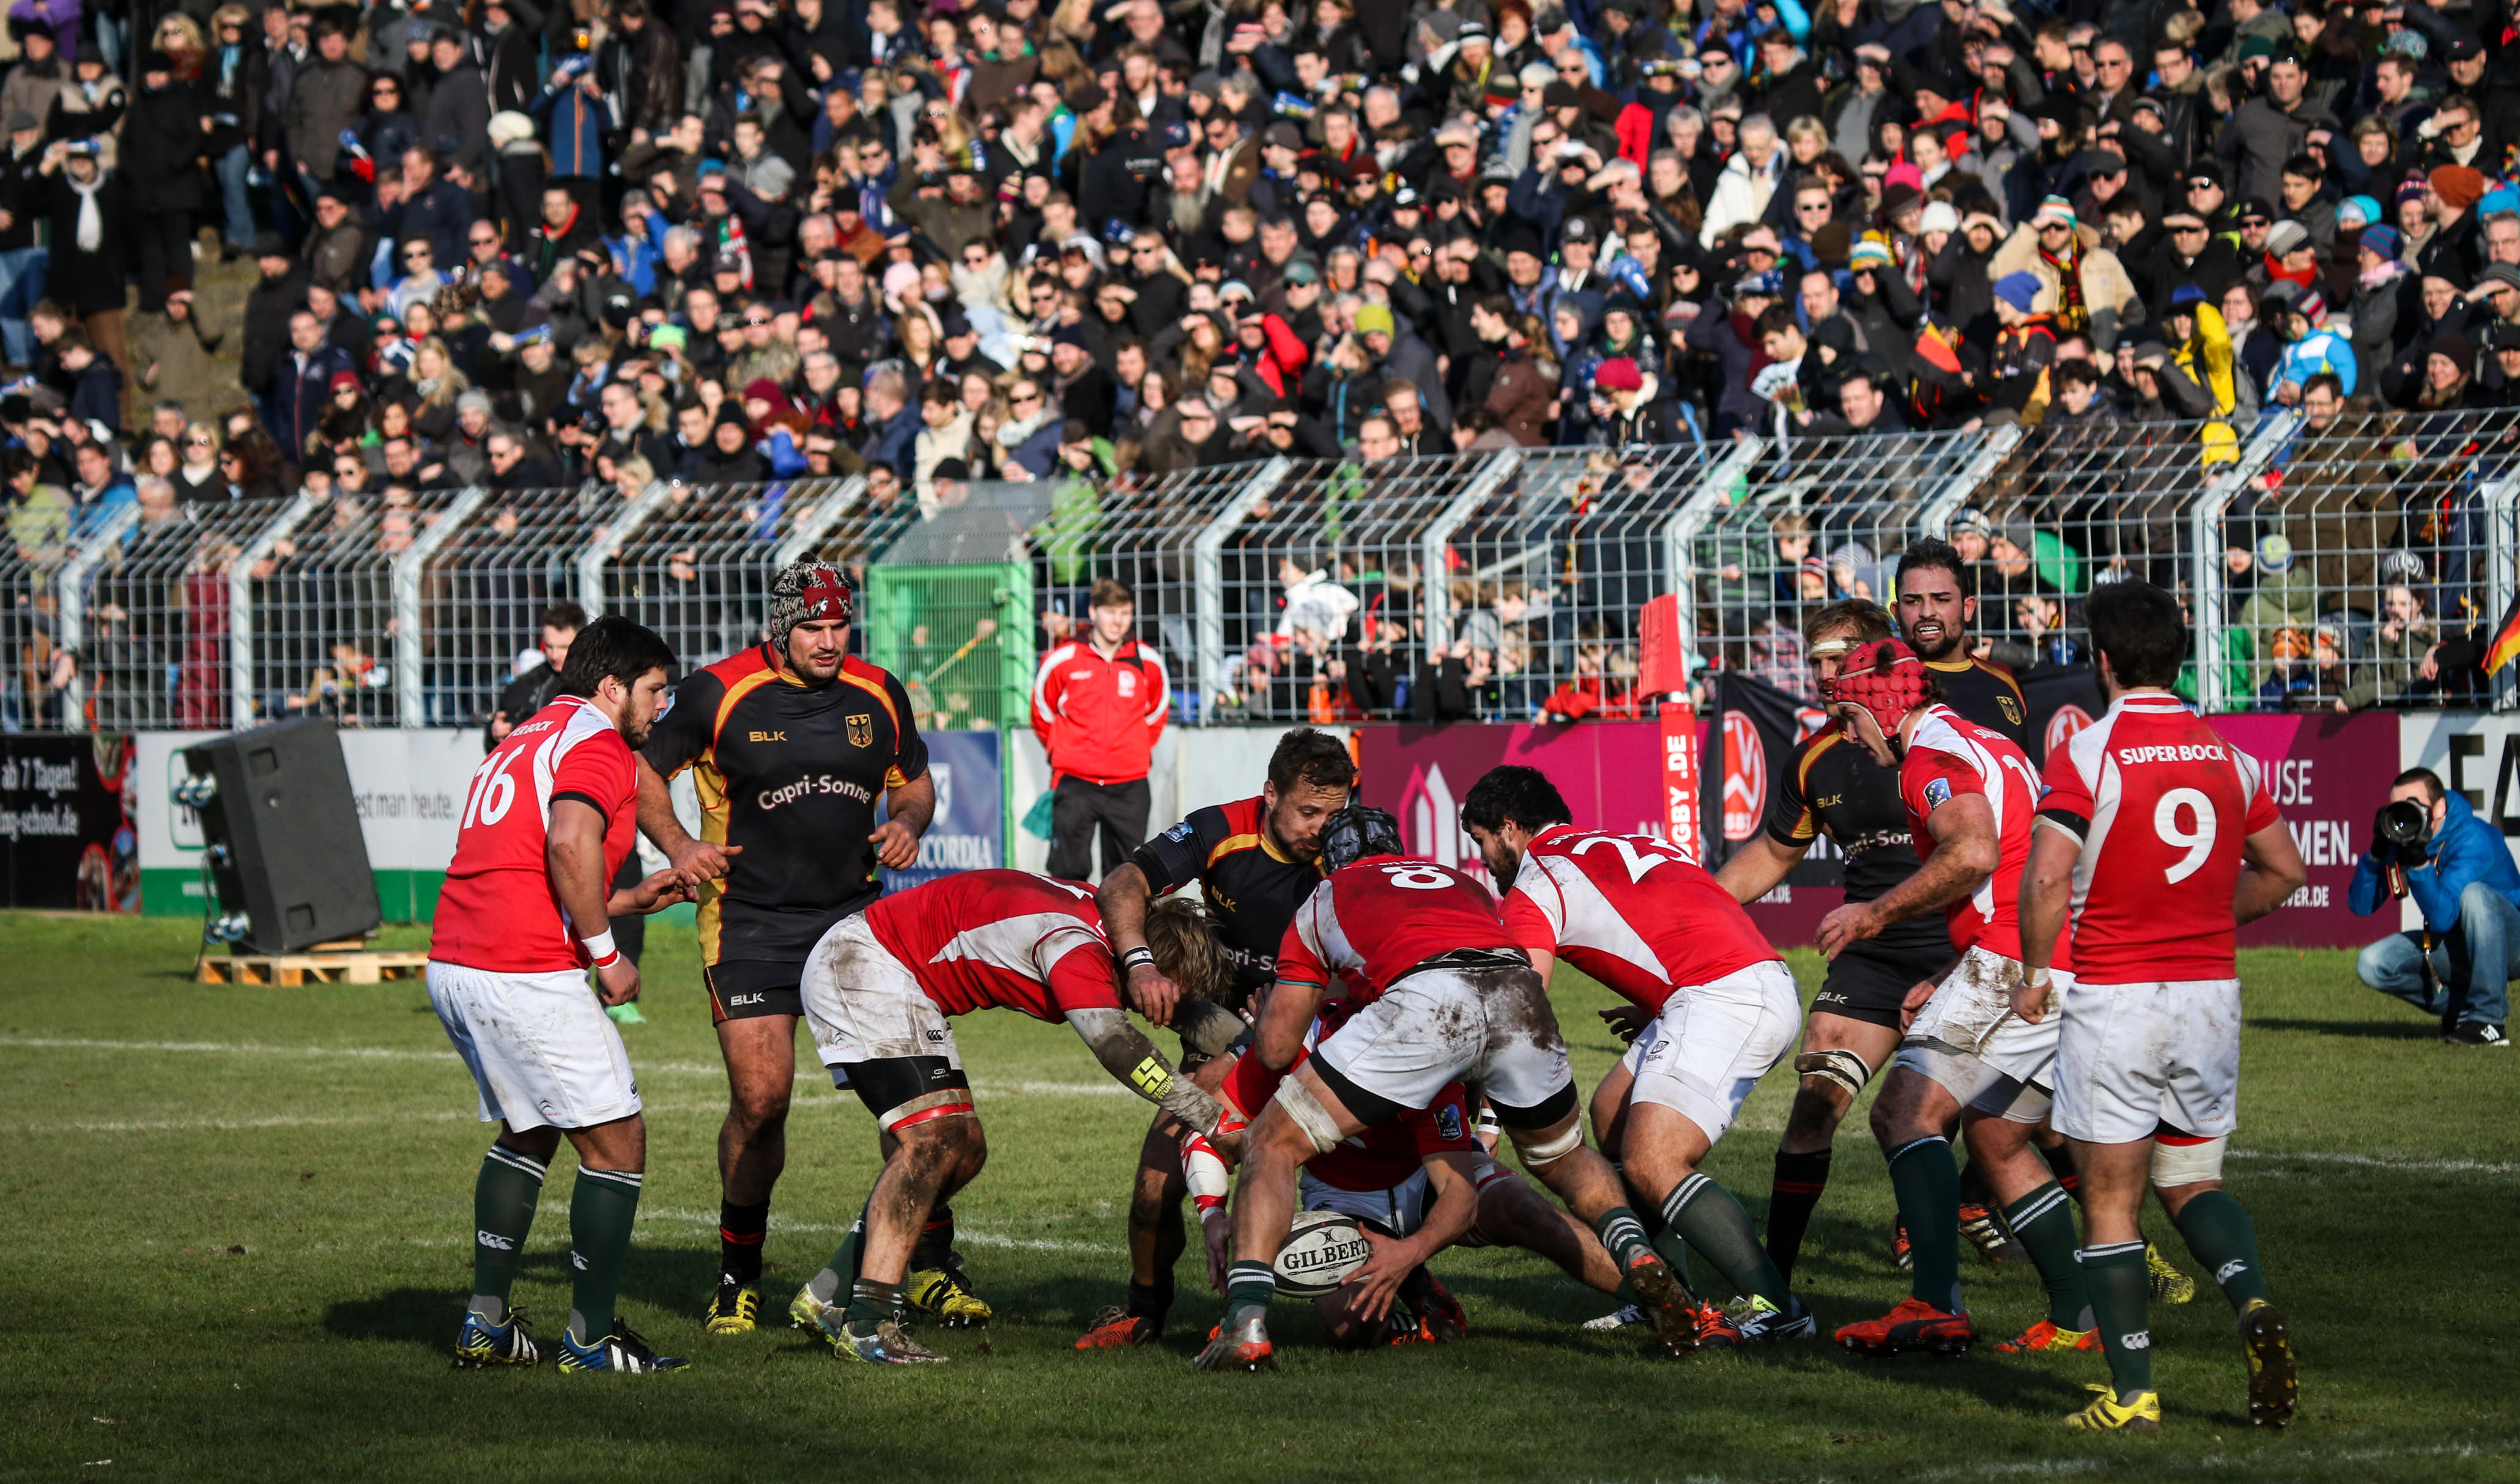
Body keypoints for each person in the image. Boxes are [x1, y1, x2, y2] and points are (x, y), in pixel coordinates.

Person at [1193, 806, 1695, 1371]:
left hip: (1425, 1010)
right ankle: (1640, 1257)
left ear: (1328, 864)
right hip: (1516, 993)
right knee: (1565, 1157)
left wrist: (1266, 1031)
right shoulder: (1459, 882)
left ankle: (1245, 1324)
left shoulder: (1324, 897)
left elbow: (1276, 1048)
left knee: (1271, 1142)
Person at [2016, 579, 2307, 1431]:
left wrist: (2034, 972)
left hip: (2118, 997)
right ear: (2178, 657)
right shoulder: (2229, 755)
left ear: (2101, 659)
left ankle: (2133, 1392)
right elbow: (2284, 871)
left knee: (2110, 1200)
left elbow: (2046, 876)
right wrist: (2205, 919)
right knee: (2191, 1178)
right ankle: (2251, 1300)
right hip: (2210, 996)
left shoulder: (2088, 750)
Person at [632, 560, 940, 1335]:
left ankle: (935, 1266)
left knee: (911, 1099)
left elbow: (913, 780)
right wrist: (678, 844)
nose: (829, 641)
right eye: (812, 629)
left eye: (840, 626)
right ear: (779, 629)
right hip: (749, 923)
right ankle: (738, 1275)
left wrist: (907, 821)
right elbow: (639, 768)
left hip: (854, 923)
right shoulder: (717, 691)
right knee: (762, 1102)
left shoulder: (878, 690)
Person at [785, 868, 1228, 1364]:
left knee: (965, 1149)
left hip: (894, 974)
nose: (1162, 1012)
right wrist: (1213, 1119)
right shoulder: (1076, 945)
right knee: (934, 1140)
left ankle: (830, 1293)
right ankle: (869, 1325)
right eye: (1166, 994)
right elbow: (1117, 1046)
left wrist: (1257, 1040)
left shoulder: (1110, 929)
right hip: (865, 965)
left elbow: (1194, 1017)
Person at [426, 616, 708, 1374]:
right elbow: (567, 845)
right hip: (520, 968)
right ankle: (590, 1340)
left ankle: (486, 1324)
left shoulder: (526, 735)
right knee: (618, 1143)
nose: (662, 706)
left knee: (532, 1128)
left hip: (457, 958)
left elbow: (526, 865)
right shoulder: (598, 742)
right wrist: (608, 957)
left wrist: (627, 901)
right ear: (612, 687)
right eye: (655, 690)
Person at [1812, 638, 2098, 1360]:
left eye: (1849, 718)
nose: (1848, 736)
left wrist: (1873, 914)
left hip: (2014, 960)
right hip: (2048, 954)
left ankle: (1936, 1305)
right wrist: (1951, 971)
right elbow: (2013, 862)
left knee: (1903, 1112)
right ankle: (2078, 1318)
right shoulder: (1987, 741)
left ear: (1882, 707)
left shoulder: (1929, 758)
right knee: (1996, 1138)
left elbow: (1972, 853)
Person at [1462, 765, 1813, 1350]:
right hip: (1727, 985)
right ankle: (1669, 1294)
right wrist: (1659, 1002)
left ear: (1509, 828)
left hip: (1724, 995)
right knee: (1613, 1117)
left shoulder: (1536, 881)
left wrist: (1490, 1118)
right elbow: (1688, 915)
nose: (1484, 859)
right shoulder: (1622, 839)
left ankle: (1778, 1308)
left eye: (1481, 841)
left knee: (1654, 1159)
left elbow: (1522, 1012)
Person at [1712, 600, 1983, 1290]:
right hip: (1871, 953)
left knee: (2009, 1124)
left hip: (1957, 947)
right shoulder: (1815, 757)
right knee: (1814, 1100)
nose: (1825, 674)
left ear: (1879, 660)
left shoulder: (1937, 739)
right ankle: (1774, 1283)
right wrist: (1696, 911)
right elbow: (1772, 855)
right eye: (1816, 662)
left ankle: (2105, 1256)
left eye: (1839, 658)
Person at [1076, 726, 1355, 1349]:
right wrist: (1140, 963)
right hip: (1227, 1034)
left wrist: (1293, 1011)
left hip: (1322, 1036)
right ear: (1269, 794)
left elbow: (1371, 966)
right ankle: (1144, 1313)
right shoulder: (1221, 829)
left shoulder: (1345, 853)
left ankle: (1408, 1287)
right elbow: (1122, 883)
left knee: (1350, 1179)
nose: (1321, 829)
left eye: (1333, 814)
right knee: (1154, 1185)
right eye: (1308, 812)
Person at [2349, 767, 2518, 1046]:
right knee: (2373, 964)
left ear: (2439, 808)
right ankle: (2464, 1012)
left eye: (2413, 806)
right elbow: (2361, 905)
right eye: (2398, 808)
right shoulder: (2407, 836)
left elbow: (2443, 917)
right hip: (2458, 944)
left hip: (2510, 945)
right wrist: (2376, 854)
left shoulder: (2475, 838)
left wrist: (2419, 863)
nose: (2406, 815)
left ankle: (2489, 1020)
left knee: (2474, 894)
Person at [1031, 577, 1168, 882]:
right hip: (1075, 782)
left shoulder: (1148, 661)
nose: (1118, 621)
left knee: (1125, 878)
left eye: (1125, 613)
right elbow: (1041, 712)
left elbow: (1157, 712)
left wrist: (1130, 749)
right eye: (1110, 612)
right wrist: (1066, 750)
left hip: (1129, 785)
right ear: (1093, 612)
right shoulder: (1063, 658)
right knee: (1067, 877)